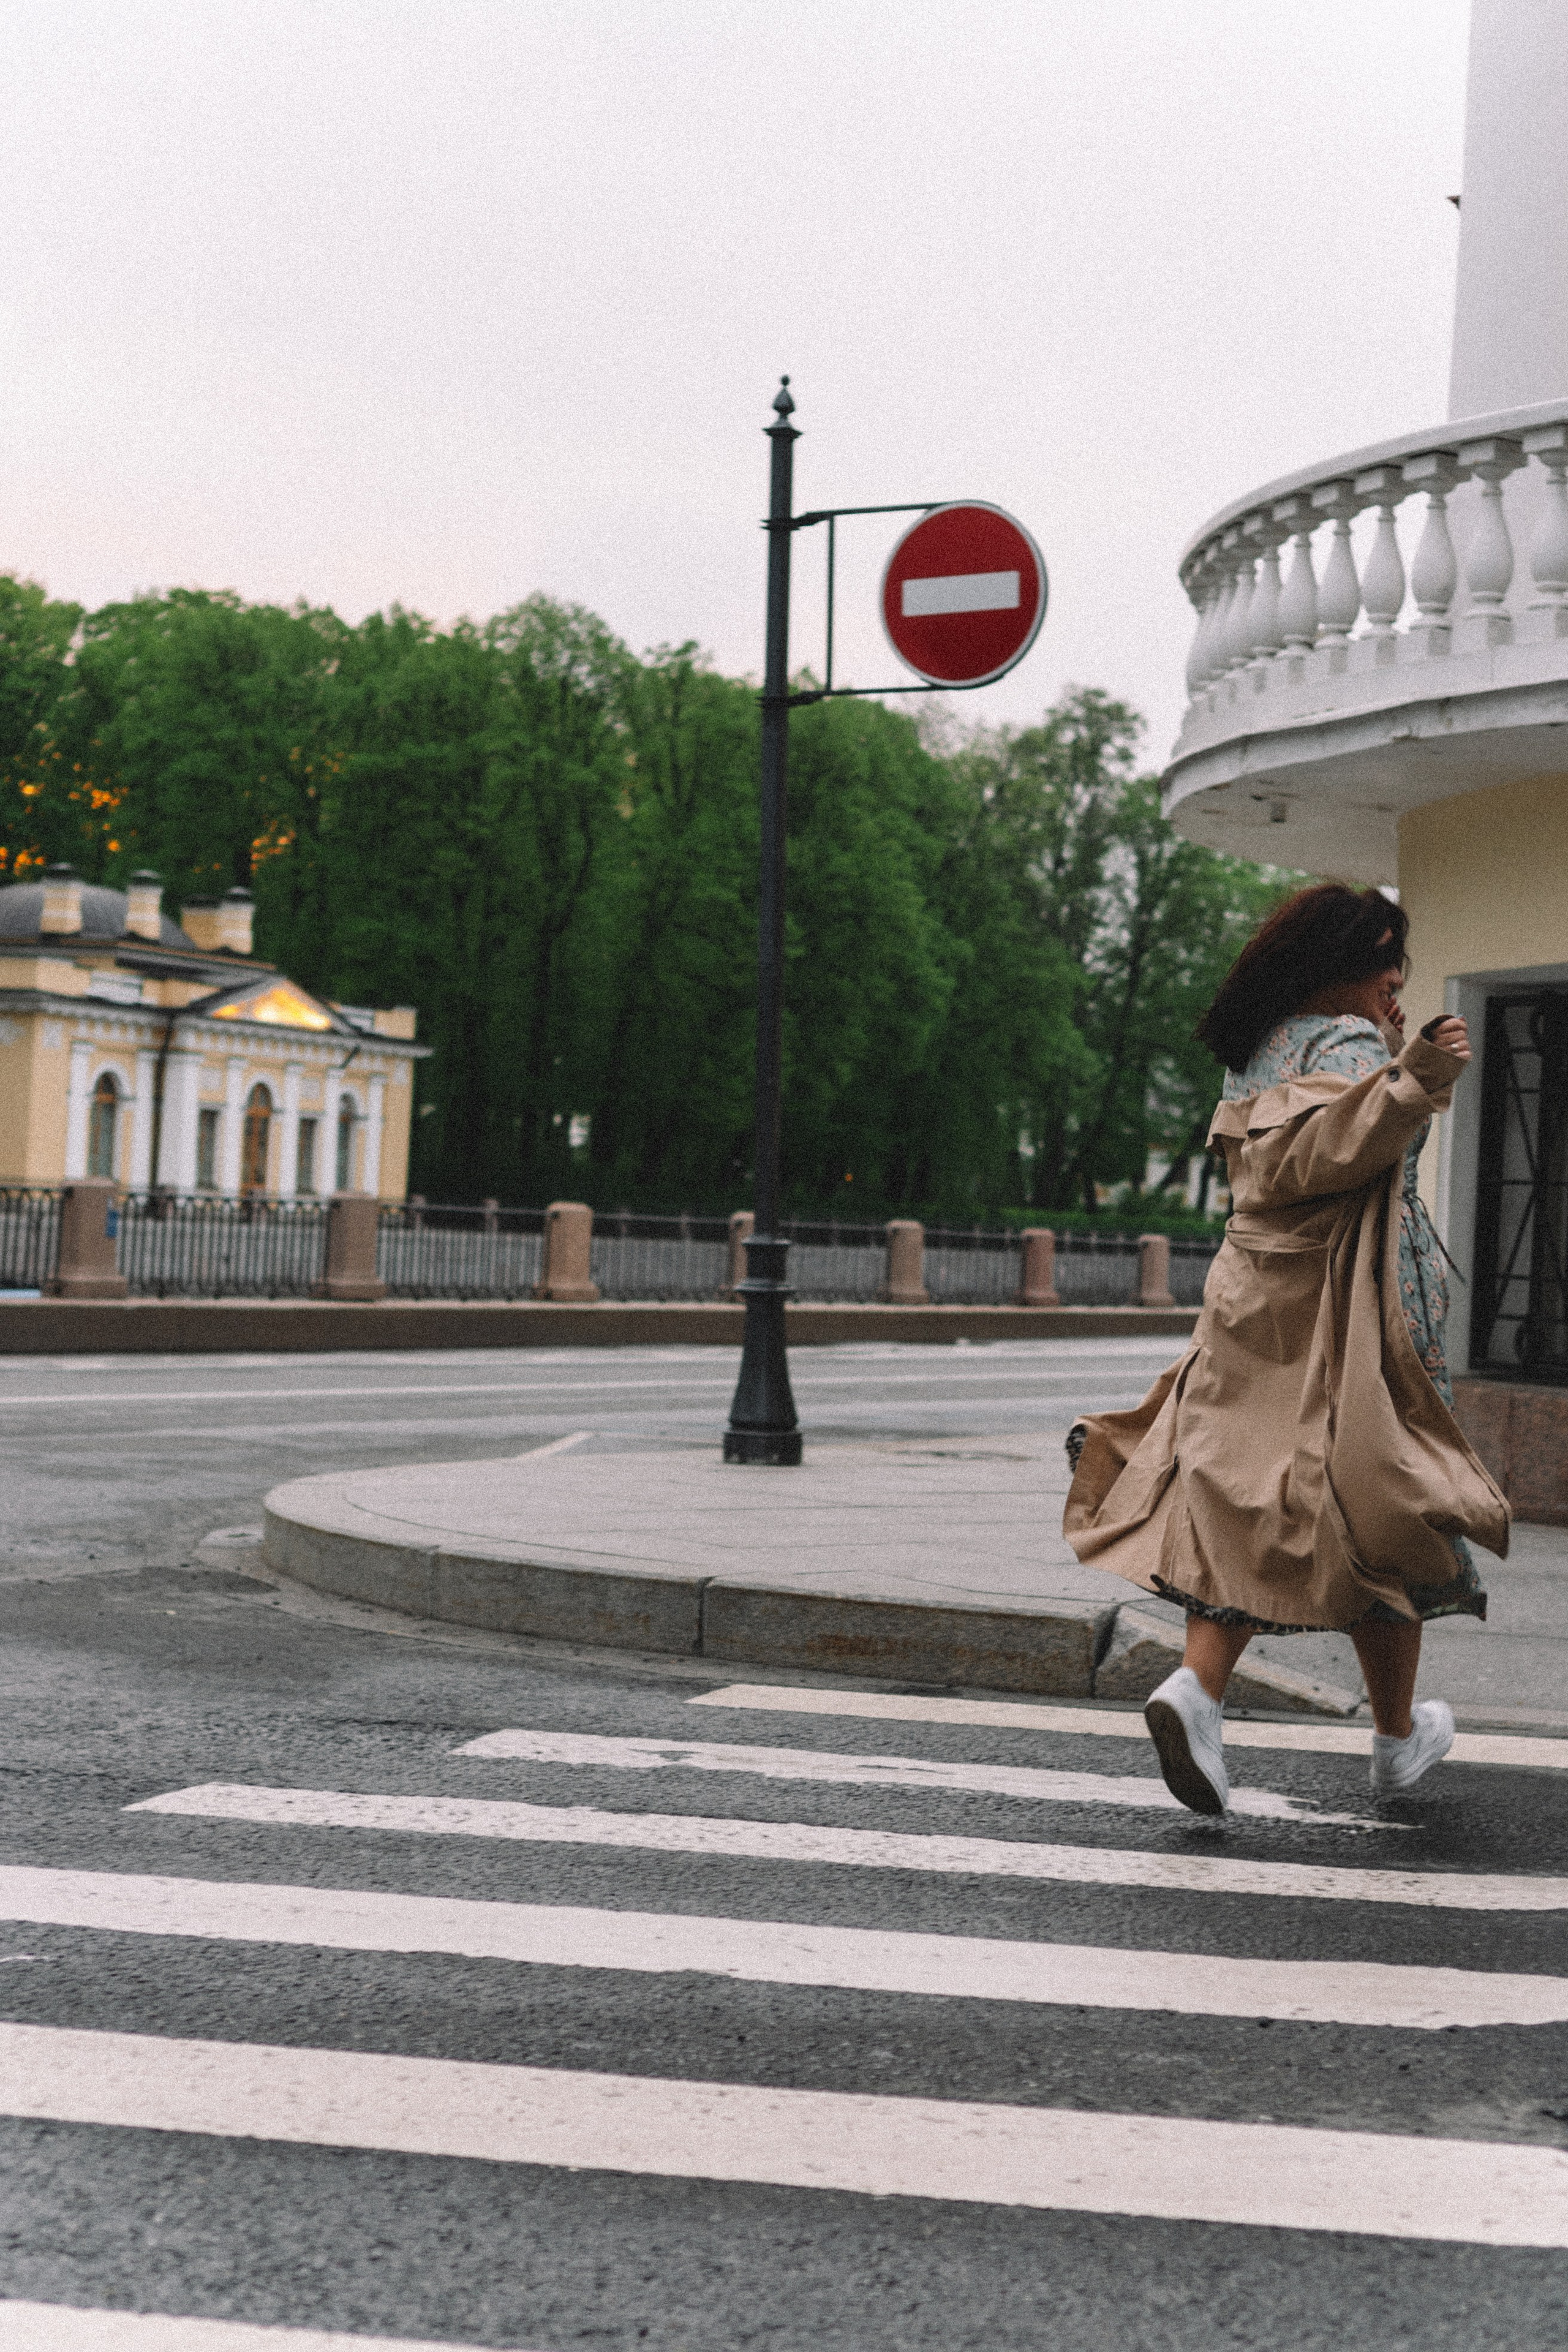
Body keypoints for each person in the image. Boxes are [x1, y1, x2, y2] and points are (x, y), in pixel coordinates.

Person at [1063, 883, 1510, 1814]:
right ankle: (1390, 1741)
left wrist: (1398, 1060)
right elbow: (1318, 1157)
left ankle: (1204, 1692)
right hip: (1346, 1314)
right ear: (1335, 959)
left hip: (1252, 1306)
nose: (1396, 974)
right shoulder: (1341, 1043)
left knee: (1243, 1503)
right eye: (1385, 954)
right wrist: (1416, 1072)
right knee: (1387, 1508)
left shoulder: (1262, 1046)